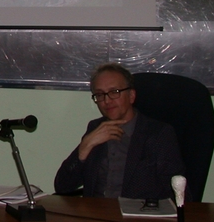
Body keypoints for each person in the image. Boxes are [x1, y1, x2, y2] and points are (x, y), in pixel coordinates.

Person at [54, 63, 186, 200]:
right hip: (95, 215)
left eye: (114, 92)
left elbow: (179, 194)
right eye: (100, 94)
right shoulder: (95, 129)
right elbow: (62, 186)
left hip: (138, 217)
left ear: (131, 96)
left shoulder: (158, 134)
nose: (107, 100)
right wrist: (85, 147)